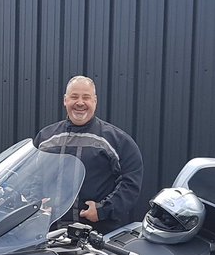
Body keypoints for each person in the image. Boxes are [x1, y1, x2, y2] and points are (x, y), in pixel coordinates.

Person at [34, 75, 143, 233]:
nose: (80, 103)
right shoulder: (45, 137)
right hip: (48, 233)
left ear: (95, 101)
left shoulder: (117, 141)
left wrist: (102, 210)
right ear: (65, 100)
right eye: (74, 97)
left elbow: (131, 183)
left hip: (97, 236)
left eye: (86, 97)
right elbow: (32, 178)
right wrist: (36, 202)